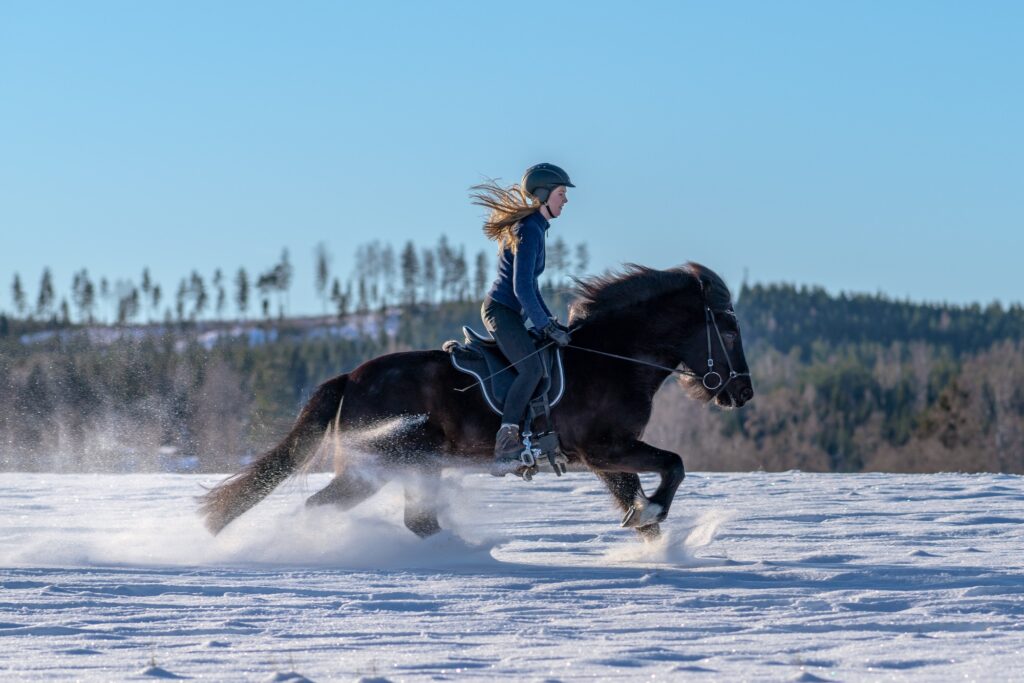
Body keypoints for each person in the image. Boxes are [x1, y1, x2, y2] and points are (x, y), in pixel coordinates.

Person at [471, 163, 574, 476]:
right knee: (530, 369)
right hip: (500, 312)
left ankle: (528, 438)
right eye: (561, 194)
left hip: (511, 312)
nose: (565, 201)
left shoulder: (536, 227)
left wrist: (550, 323)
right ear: (543, 195)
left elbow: (532, 287)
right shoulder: (529, 228)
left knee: (541, 369)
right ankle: (506, 441)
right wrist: (543, 324)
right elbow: (521, 287)